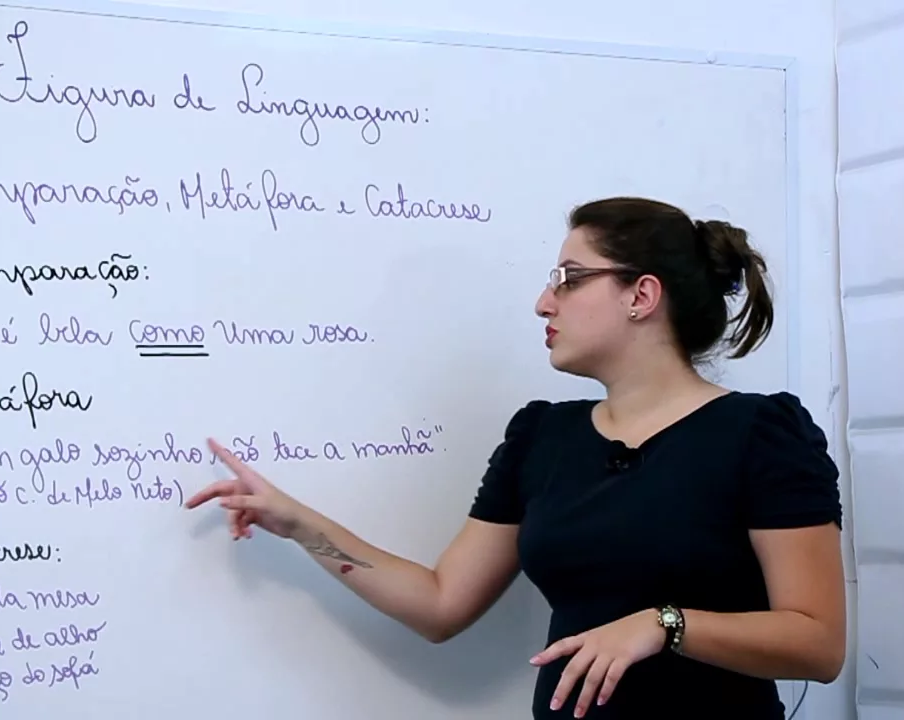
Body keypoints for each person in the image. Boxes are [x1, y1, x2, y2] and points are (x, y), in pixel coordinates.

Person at [185, 196, 846, 718]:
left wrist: (664, 625)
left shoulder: (761, 433)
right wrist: (298, 524)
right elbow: (441, 604)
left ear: (641, 296)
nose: (543, 302)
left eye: (569, 279)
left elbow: (817, 644)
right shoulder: (541, 438)